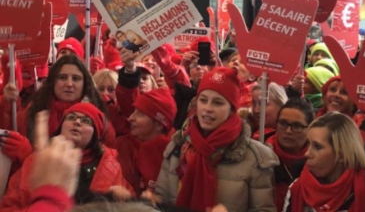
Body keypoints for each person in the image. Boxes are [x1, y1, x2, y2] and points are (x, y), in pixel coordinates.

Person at [156, 68, 279, 212]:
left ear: (232, 109)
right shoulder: (177, 145)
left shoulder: (255, 157)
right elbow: (160, 201)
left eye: (217, 103)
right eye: (203, 100)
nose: (207, 108)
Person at [0, 103, 135, 211]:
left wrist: (123, 203)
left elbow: (130, 203)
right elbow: (9, 207)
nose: (77, 122)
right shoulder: (40, 159)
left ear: (95, 134)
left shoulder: (111, 166)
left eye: (86, 121)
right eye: (71, 117)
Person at [283, 112, 365, 211]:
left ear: (341, 155)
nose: (307, 154)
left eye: (317, 147)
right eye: (308, 144)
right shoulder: (296, 188)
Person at [115, 88, 177, 195]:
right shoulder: (122, 145)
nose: (130, 118)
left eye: (140, 114)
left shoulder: (176, 154)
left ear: (158, 124)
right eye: (134, 111)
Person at [266, 98, 314, 212]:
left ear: (310, 128)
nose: (288, 131)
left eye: (297, 126)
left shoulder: (317, 161)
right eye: (283, 123)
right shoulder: (259, 154)